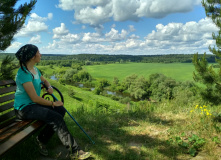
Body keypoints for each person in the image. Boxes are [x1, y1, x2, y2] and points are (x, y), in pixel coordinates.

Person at [14, 44, 91, 160]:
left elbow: (44, 80)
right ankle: (75, 151)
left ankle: (41, 140)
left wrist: (48, 86)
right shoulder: (23, 74)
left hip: (33, 105)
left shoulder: (35, 70)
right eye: (39, 52)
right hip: (23, 108)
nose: (41, 54)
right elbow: (34, 98)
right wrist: (53, 103)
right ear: (32, 56)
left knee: (60, 110)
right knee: (55, 117)